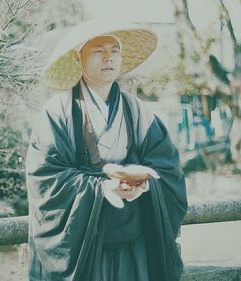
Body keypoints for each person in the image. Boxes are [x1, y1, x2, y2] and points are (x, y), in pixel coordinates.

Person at [26, 20, 188, 281]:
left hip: (135, 245)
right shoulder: (57, 113)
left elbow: (168, 169)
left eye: (115, 51)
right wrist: (102, 188)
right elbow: (46, 179)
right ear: (79, 58)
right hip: (83, 246)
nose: (108, 58)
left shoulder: (139, 112)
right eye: (98, 51)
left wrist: (143, 184)